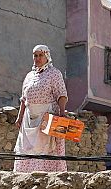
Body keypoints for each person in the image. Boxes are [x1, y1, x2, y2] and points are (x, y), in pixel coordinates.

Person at [13, 45, 69, 173]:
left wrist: (62, 113)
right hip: (28, 118)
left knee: (44, 149)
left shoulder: (54, 73)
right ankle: (23, 176)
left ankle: (43, 178)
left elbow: (61, 94)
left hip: (46, 117)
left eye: (40, 55)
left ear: (47, 56)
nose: (37, 58)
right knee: (26, 149)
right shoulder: (29, 76)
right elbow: (23, 99)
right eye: (35, 55)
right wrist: (19, 117)